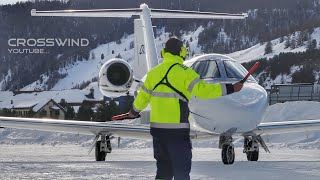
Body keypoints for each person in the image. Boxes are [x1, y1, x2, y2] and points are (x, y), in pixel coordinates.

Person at [128, 37, 243, 180]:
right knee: (181, 171)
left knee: (163, 171)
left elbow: (141, 100)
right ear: (181, 52)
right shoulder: (185, 73)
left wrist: (133, 112)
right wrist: (231, 88)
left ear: (164, 52)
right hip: (177, 131)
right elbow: (204, 91)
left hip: (158, 132)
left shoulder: (153, 73)